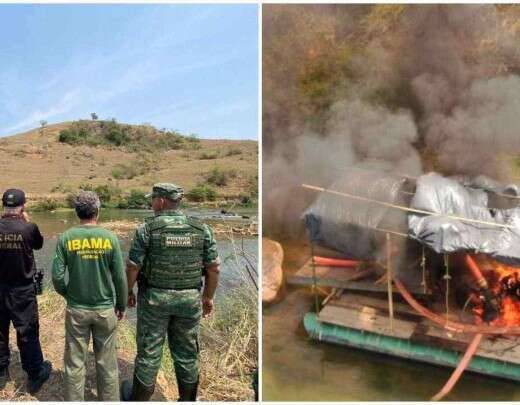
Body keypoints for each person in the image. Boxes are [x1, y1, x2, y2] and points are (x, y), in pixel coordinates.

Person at [121, 183, 220, 401]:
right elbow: (213, 269)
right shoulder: (201, 229)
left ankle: (139, 399)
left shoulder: (147, 229)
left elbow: (133, 267)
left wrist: (127, 292)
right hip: (190, 300)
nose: (150, 202)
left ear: (162, 201)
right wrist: (208, 298)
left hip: (154, 301)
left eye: (152, 198)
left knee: (149, 351)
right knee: (187, 353)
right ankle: (187, 399)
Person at [52, 191, 127, 401]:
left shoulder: (66, 237)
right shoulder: (110, 238)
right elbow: (120, 278)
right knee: (107, 363)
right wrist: (121, 304)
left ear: (77, 212)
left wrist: (68, 295)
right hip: (104, 310)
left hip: (77, 310)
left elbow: (57, 277)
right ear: (97, 211)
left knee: (75, 362)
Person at [0, 188, 52, 394]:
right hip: (22, 291)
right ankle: (35, 372)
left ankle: (2, 370)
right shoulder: (28, 227)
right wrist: (25, 221)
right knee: (27, 331)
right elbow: (38, 245)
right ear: (23, 206)